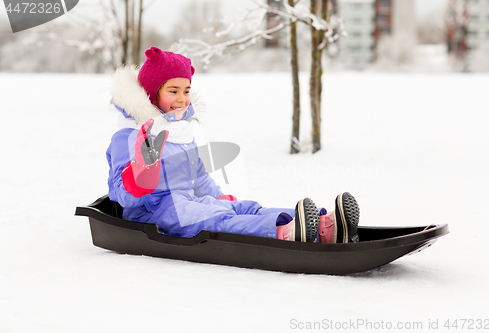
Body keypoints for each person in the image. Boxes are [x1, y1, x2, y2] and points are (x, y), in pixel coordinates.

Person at [106, 46, 359, 243]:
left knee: (243, 208)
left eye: (186, 90)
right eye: (173, 91)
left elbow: (197, 174)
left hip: (188, 202)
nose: (182, 99)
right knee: (220, 220)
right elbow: (122, 196)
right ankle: (283, 232)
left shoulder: (180, 130)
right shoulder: (128, 136)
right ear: (152, 92)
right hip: (154, 213)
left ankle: (321, 226)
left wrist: (218, 196)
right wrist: (142, 167)